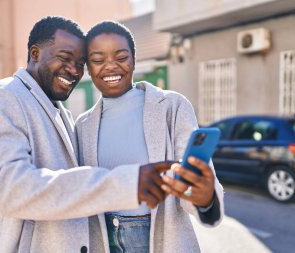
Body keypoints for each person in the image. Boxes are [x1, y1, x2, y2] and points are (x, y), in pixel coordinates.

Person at [0, 16, 175, 253]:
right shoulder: (3, 98)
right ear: (35, 53)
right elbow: (10, 190)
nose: (74, 70)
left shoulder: (61, 112)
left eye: (80, 62)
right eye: (64, 58)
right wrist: (125, 184)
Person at [75, 21, 225, 253]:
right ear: (88, 67)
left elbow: (192, 180)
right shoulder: (82, 125)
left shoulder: (172, 106)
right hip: (103, 241)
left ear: (134, 60)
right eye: (98, 60)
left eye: (121, 57)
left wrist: (204, 198)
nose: (110, 66)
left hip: (161, 239)